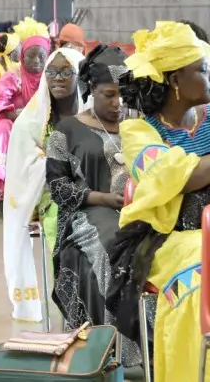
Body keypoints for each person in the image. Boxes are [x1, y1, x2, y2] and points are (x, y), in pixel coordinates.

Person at [106, 22, 210, 382]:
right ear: (176, 79)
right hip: (164, 237)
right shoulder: (140, 131)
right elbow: (179, 175)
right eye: (203, 69)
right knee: (201, 275)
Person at [46, 45, 140, 364]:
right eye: (109, 94)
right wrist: (102, 198)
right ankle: (111, 349)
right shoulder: (67, 131)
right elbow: (58, 188)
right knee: (112, 248)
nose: (118, 103)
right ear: (90, 90)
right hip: (84, 217)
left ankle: (153, 349)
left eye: (123, 94)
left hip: (137, 212)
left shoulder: (138, 130)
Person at [2, 47, 84, 323]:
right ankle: (71, 307)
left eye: (66, 72)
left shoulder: (94, 114)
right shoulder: (30, 120)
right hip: (51, 198)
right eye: (52, 72)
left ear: (80, 75)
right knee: (63, 226)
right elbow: (23, 169)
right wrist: (57, 162)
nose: (57, 78)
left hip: (93, 194)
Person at [0, 19, 50, 211]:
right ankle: (4, 191)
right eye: (30, 56)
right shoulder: (13, 76)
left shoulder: (51, 77)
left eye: (41, 56)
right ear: (21, 56)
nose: (36, 61)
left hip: (43, 125)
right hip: (15, 124)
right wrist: (13, 114)